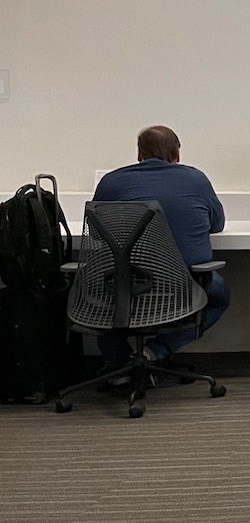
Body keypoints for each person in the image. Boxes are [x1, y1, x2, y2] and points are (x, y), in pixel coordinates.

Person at [93, 125, 230, 361]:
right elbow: (216, 225)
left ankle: (118, 365)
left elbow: (96, 234)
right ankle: (155, 352)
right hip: (182, 285)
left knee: (95, 293)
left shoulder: (111, 182)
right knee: (219, 298)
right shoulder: (196, 179)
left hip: (125, 284)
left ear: (139, 154)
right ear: (177, 155)